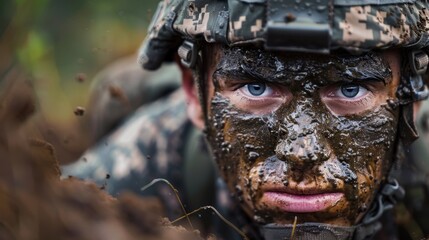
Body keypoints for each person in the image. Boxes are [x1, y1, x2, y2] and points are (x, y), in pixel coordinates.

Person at [62, 0, 429, 239]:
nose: (302, 152)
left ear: (412, 98)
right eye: (255, 88)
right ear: (193, 93)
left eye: (351, 89)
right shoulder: (141, 165)